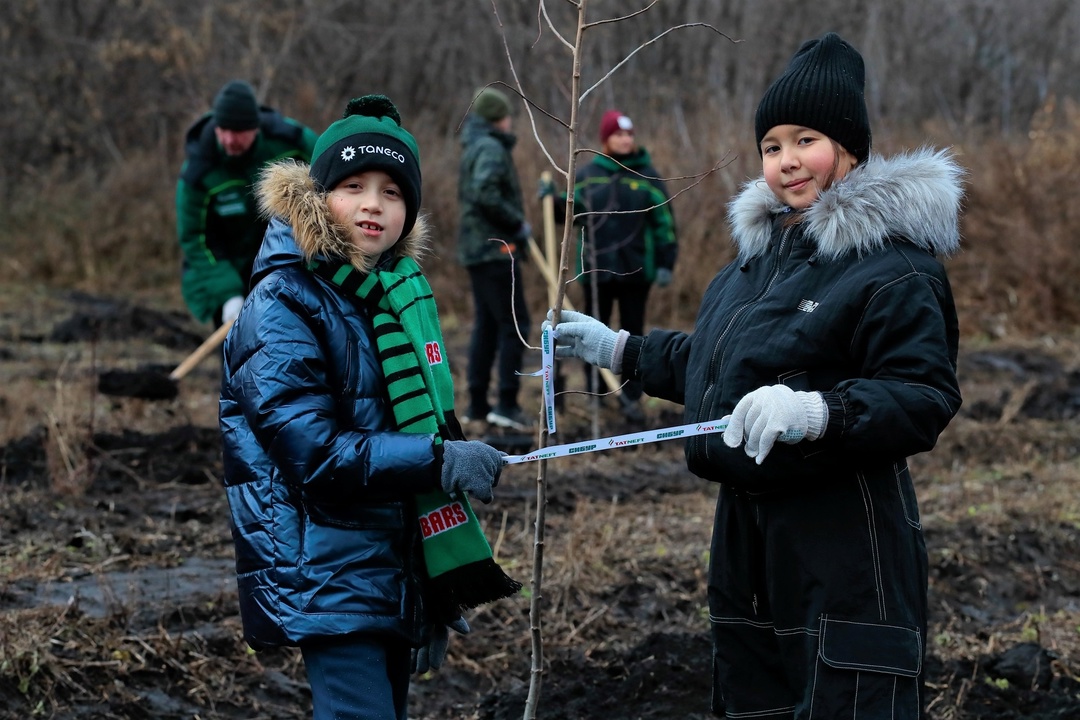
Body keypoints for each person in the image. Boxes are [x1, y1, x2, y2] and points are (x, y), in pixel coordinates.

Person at [548, 32, 963, 719]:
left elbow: (922, 395)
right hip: (746, 545)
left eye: (806, 140)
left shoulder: (895, 268)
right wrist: (618, 349)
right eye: (772, 146)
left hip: (845, 547)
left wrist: (817, 412)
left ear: (851, 149)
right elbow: (712, 366)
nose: (787, 161)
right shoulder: (753, 267)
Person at [219, 95, 519, 720]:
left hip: (384, 565)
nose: (372, 204)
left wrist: (430, 586)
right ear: (317, 195)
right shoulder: (284, 302)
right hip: (326, 565)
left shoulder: (395, 298)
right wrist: (438, 460)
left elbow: (413, 425)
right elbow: (315, 452)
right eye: (352, 185)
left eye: (391, 190)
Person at [542, 109, 677, 423]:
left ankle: (630, 394)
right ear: (606, 140)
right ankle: (596, 392)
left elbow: (664, 224)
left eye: (629, 134)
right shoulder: (590, 175)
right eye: (619, 134)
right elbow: (568, 213)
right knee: (591, 330)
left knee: (633, 331)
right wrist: (552, 201)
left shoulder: (647, 176)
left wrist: (666, 262)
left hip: (636, 271)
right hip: (595, 271)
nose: (626, 140)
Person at [176, 79, 318, 325]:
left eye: (238, 132)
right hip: (228, 266)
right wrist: (228, 294)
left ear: (256, 128)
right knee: (237, 345)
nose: (229, 139)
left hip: (290, 259)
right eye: (223, 130)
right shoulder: (198, 173)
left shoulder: (291, 142)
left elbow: (331, 171)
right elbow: (195, 239)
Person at [456, 86, 533, 431]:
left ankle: (475, 405)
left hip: (480, 250)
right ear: (498, 119)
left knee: (487, 326)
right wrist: (514, 223)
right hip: (495, 250)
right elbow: (484, 192)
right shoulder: (490, 148)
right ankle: (506, 402)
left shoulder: (476, 145)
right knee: (515, 325)